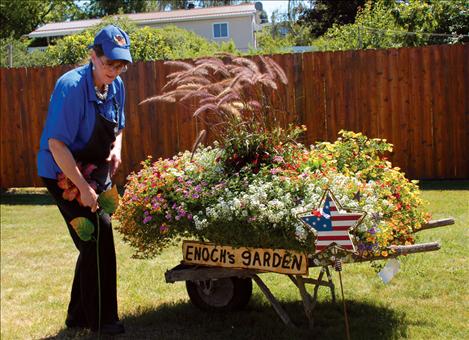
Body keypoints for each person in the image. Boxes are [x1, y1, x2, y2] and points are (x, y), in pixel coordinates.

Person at [37, 25, 132, 335]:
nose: (114, 72)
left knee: (94, 239)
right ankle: (102, 321)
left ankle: (77, 316)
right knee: (96, 233)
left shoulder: (116, 86)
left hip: (97, 168)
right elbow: (56, 145)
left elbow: (118, 127)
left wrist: (115, 151)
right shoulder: (71, 87)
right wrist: (82, 188)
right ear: (93, 56)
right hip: (62, 171)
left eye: (120, 66)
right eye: (109, 64)